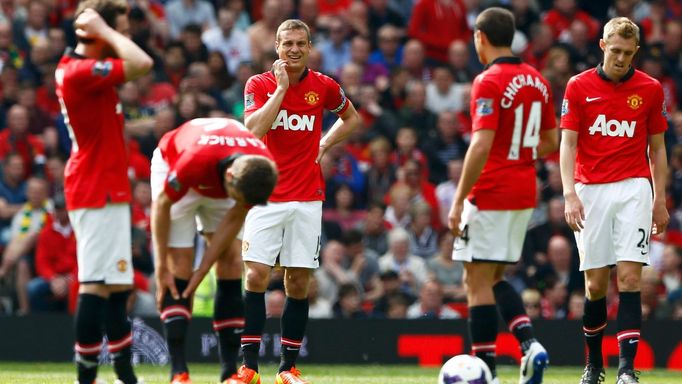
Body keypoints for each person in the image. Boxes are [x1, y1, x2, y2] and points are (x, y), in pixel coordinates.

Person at [215, 18, 360, 384]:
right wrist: (280, 90)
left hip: (308, 196)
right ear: (276, 47)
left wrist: (325, 142)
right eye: (287, 44)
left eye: (300, 43)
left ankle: (287, 368)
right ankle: (249, 367)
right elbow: (252, 129)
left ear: (309, 47)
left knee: (298, 282)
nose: (293, 50)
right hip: (265, 196)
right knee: (256, 274)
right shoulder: (259, 84)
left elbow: (351, 118)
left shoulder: (324, 86)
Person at [447, 7, 557, 384]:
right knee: (493, 276)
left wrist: (459, 198)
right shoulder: (538, 81)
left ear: (480, 37)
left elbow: (480, 144)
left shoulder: (488, 80)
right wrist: (519, 153)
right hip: (524, 190)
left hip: (491, 190)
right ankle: (529, 345)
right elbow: (551, 141)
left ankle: (488, 374)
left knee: (474, 280)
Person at [559, 17, 669, 384]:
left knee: (630, 278)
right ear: (603, 46)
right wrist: (569, 192)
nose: (621, 59)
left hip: (634, 189)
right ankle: (593, 365)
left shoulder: (651, 89)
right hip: (590, 190)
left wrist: (659, 199)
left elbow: (658, 149)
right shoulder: (578, 86)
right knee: (595, 285)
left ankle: (626, 370)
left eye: (628, 52)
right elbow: (568, 143)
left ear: (635, 51)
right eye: (615, 51)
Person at [54, 1, 153, 383]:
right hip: (94, 189)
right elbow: (143, 64)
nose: (124, 37)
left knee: (118, 285)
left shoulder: (84, 71)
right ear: (97, 32)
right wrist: (107, 31)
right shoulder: (79, 72)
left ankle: (126, 374)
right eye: (120, 29)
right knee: (95, 282)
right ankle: (86, 377)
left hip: (108, 189)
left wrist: (105, 31)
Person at [151, 118, 278, 384]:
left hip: (220, 172)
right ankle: (178, 372)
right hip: (179, 169)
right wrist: (161, 267)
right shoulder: (191, 162)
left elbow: (236, 213)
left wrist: (203, 270)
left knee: (232, 262)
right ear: (230, 180)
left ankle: (229, 372)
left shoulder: (261, 168)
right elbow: (162, 206)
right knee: (180, 266)